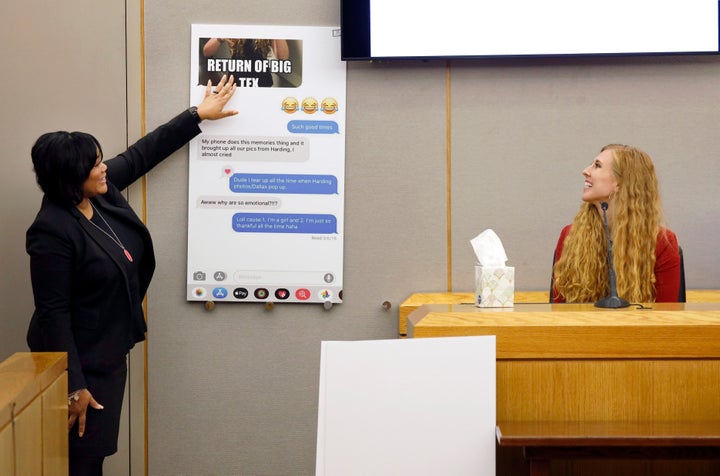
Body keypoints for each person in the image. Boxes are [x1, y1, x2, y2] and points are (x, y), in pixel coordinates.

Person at [26, 75, 237, 475]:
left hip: (107, 352)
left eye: (101, 159)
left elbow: (142, 154)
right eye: (95, 165)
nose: (104, 168)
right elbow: (52, 313)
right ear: (71, 177)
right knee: (81, 460)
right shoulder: (51, 229)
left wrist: (198, 115)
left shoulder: (99, 195)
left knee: (95, 453)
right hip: (80, 366)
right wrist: (74, 386)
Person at [552, 144, 681, 303]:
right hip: (583, 327)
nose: (585, 170)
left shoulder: (662, 242)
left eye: (597, 166)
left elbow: (666, 316)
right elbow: (559, 311)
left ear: (620, 183)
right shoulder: (570, 236)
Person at [202, 38, 289, 87]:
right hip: (236, 81)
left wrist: (276, 31)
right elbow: (207, 52)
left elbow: (283, 57)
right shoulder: (233, 23)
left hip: (262, 80)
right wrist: (220, 39)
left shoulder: (265, 25)